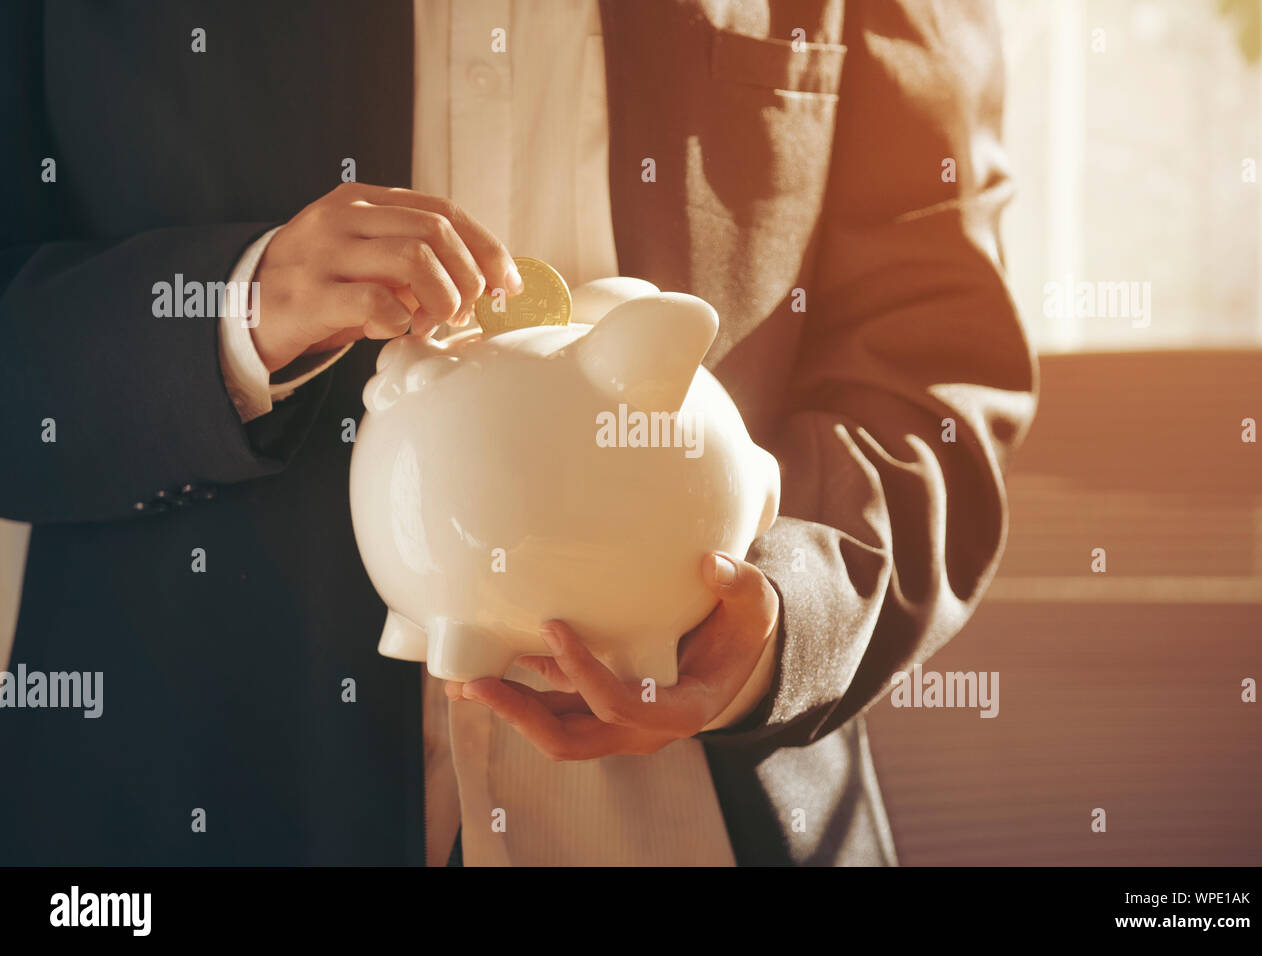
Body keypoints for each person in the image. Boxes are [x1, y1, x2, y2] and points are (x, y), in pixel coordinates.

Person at [0, 0, 1037, 865]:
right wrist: (229, 308)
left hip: (715, 819)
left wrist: (789, 617)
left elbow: (936, 366)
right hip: (181, 805)